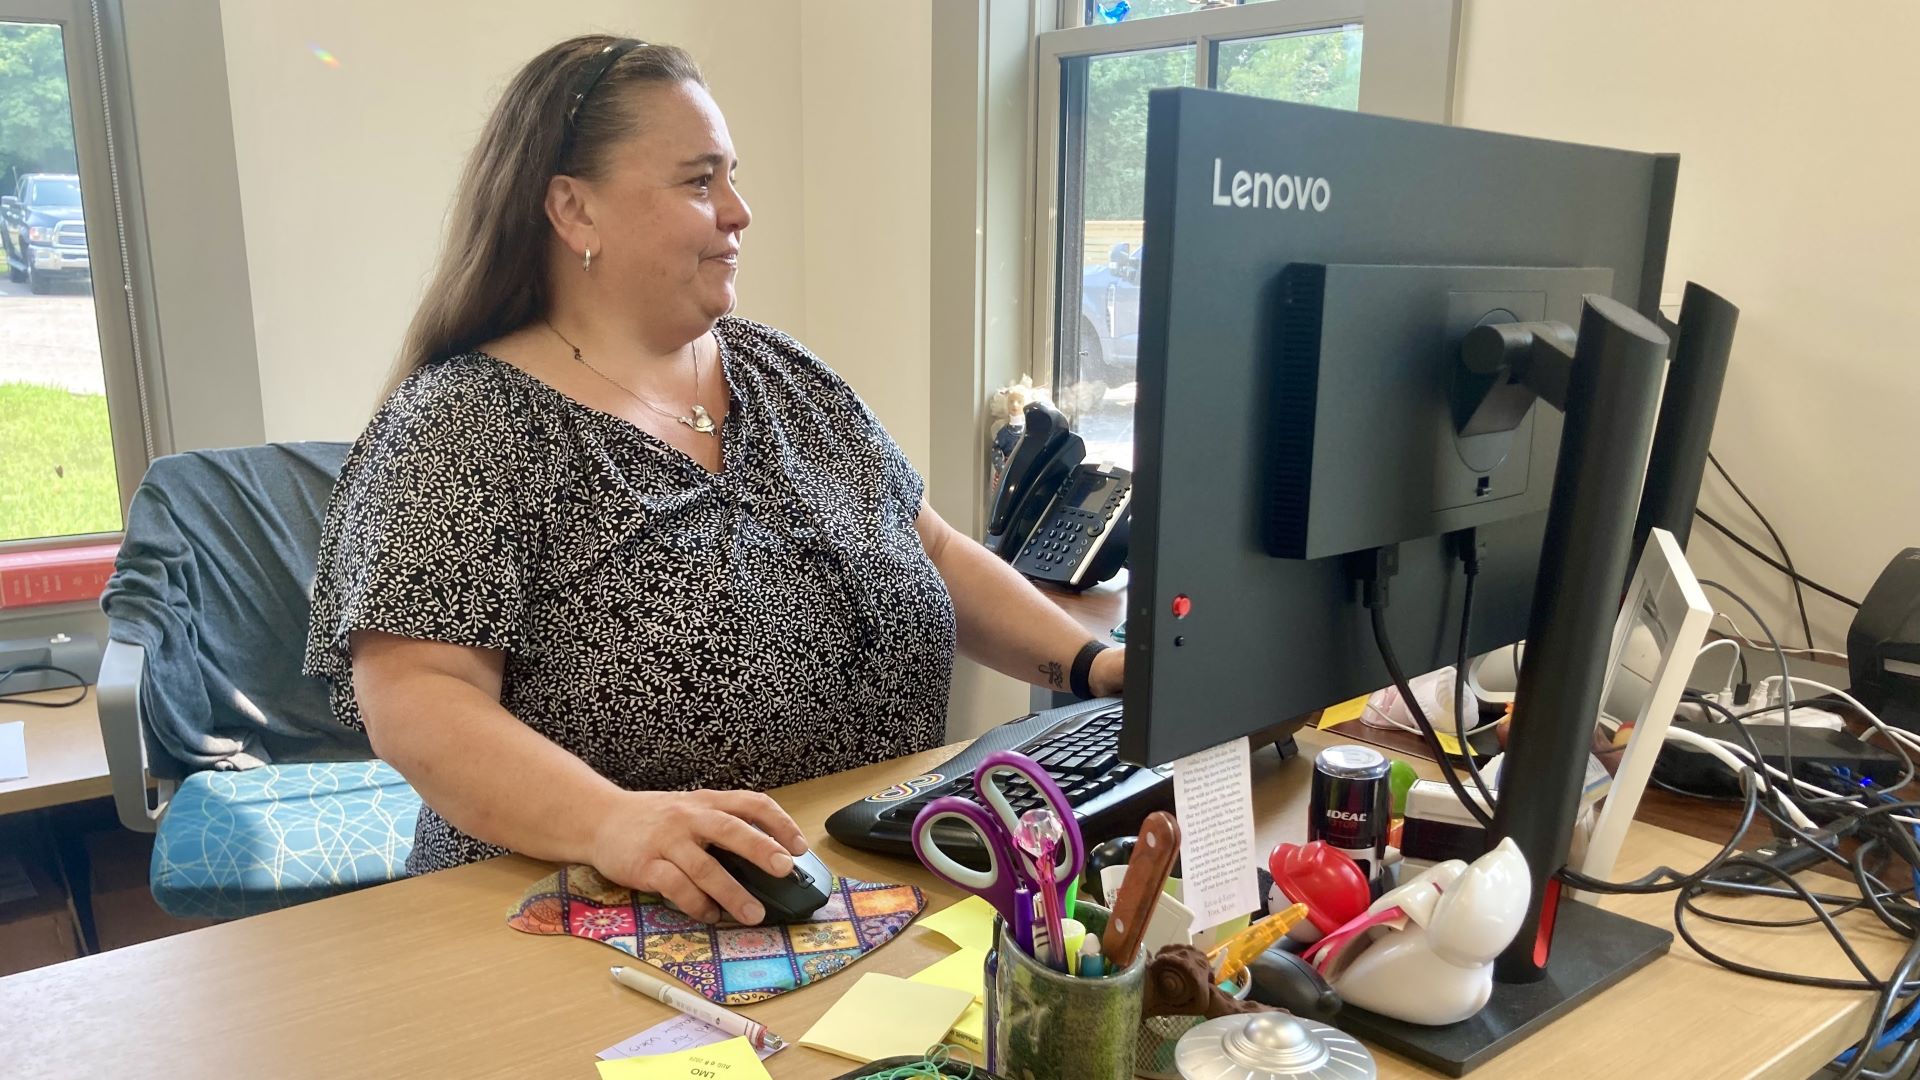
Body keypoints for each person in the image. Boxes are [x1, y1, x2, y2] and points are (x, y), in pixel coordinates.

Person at [303, 36, 1123, 928]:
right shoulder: (463, 422)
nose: (738, 211)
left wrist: (1093, 665)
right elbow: (420, 699)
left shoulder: (784, 376)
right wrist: (614, 822)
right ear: (574, 212)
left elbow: (927, 544)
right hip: (584, 924)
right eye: (699, 182)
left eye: (731, 176)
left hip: (864, 892)